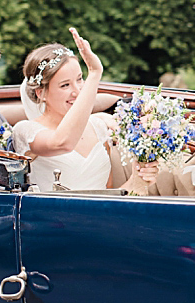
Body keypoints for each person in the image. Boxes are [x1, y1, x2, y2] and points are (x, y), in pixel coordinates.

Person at [13, 34, 159, 192]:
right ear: (41, 93)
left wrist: (138, 180)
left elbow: (108, 197)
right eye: (65, 85)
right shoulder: (26, 131)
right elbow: (62, 142)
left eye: (80, 79)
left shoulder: (98, 128)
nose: (78, 91)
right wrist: (95, 73)